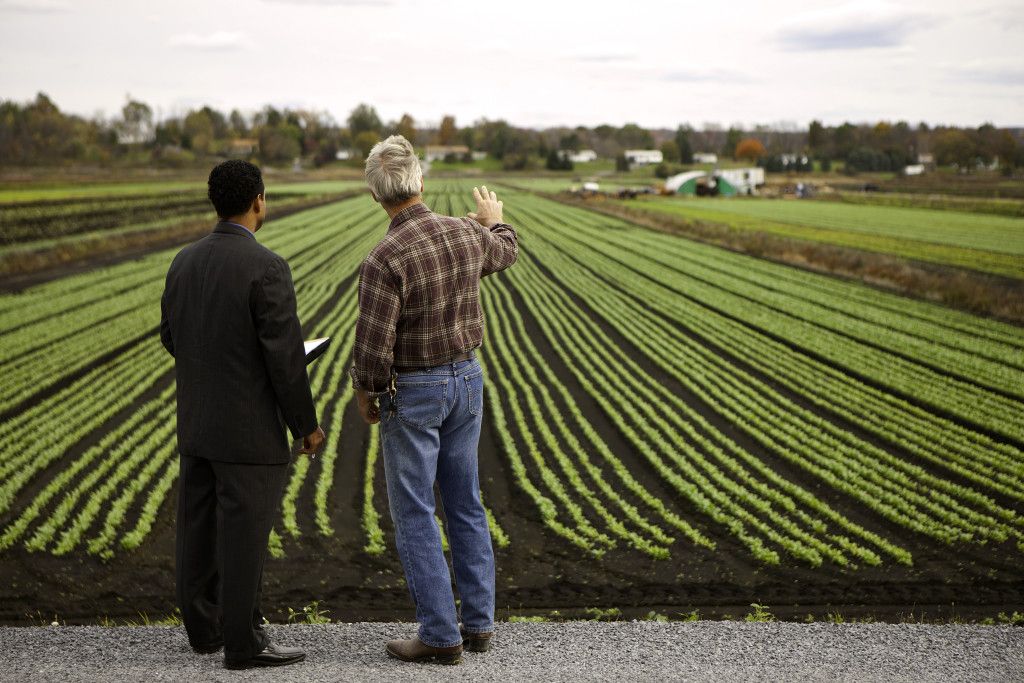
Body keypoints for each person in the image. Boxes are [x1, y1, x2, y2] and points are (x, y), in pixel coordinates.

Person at [349, 135, 518, 665]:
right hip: (468, 380)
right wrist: (493, 220)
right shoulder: (463, 234)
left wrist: (365, 391)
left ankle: (441, 635)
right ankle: (479, 624)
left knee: (417, 510)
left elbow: (374, 347)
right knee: (465, 499)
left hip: (415, 391)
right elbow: (506, 251)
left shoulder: (384, 258)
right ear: (420, 183)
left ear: (376, 196)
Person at [160, 159, 325, 670]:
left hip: (198, 423)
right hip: (250, 431)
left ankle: (204, 631)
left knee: (198, 528)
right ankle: (244, 644)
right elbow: (284, 359)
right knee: (245, 536)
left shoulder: (183, 262)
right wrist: (307, 426)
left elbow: (171, 337)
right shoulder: (267, 267)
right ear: (258, 201)